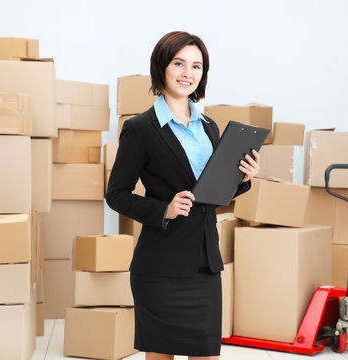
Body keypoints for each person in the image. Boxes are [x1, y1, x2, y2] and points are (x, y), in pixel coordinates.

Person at [105, 31, 261, 360]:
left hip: (204, 266)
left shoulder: (210, 128)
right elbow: (116, 195)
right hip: (160, 268)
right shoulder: (141, 129)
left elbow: (215, 195)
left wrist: (243, 178)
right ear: (162, 66)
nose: (188, 73)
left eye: (196, 66)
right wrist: (164, 209)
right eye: (179, 63)